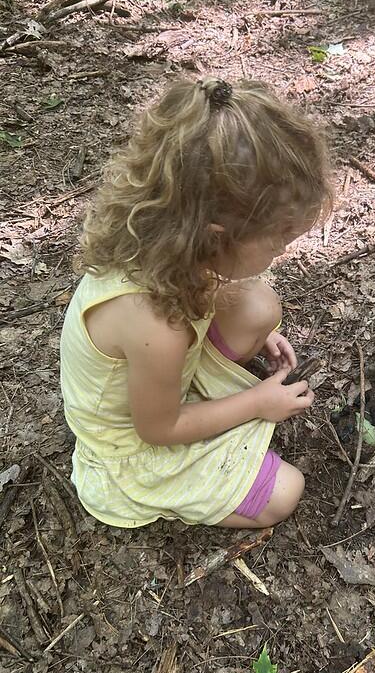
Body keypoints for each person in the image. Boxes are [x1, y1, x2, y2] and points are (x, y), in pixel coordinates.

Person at [60, 77, 332, 530]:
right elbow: (157, 430)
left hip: (160, 375)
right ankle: (202, 426)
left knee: (260, 308)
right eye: (279, 239)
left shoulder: (166, 242)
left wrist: (265, 339)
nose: (283, 251)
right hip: (134, 443)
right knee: (283, 493)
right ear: (216, 235)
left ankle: (203, 397)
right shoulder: (153, 324)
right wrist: (257, 403)